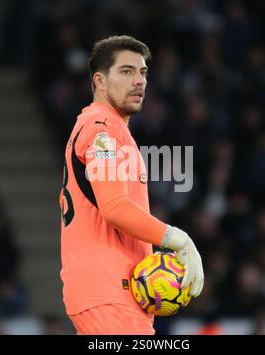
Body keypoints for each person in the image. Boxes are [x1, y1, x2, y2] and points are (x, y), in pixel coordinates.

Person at [59, 35, 204, 335]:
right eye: (126, 71)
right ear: (99, 81)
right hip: (109, 294)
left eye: (143, 72)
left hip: (112, 295)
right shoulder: (102, 129)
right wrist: (178, 239)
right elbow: (113, 207)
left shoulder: (106, 129)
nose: (139, 81)